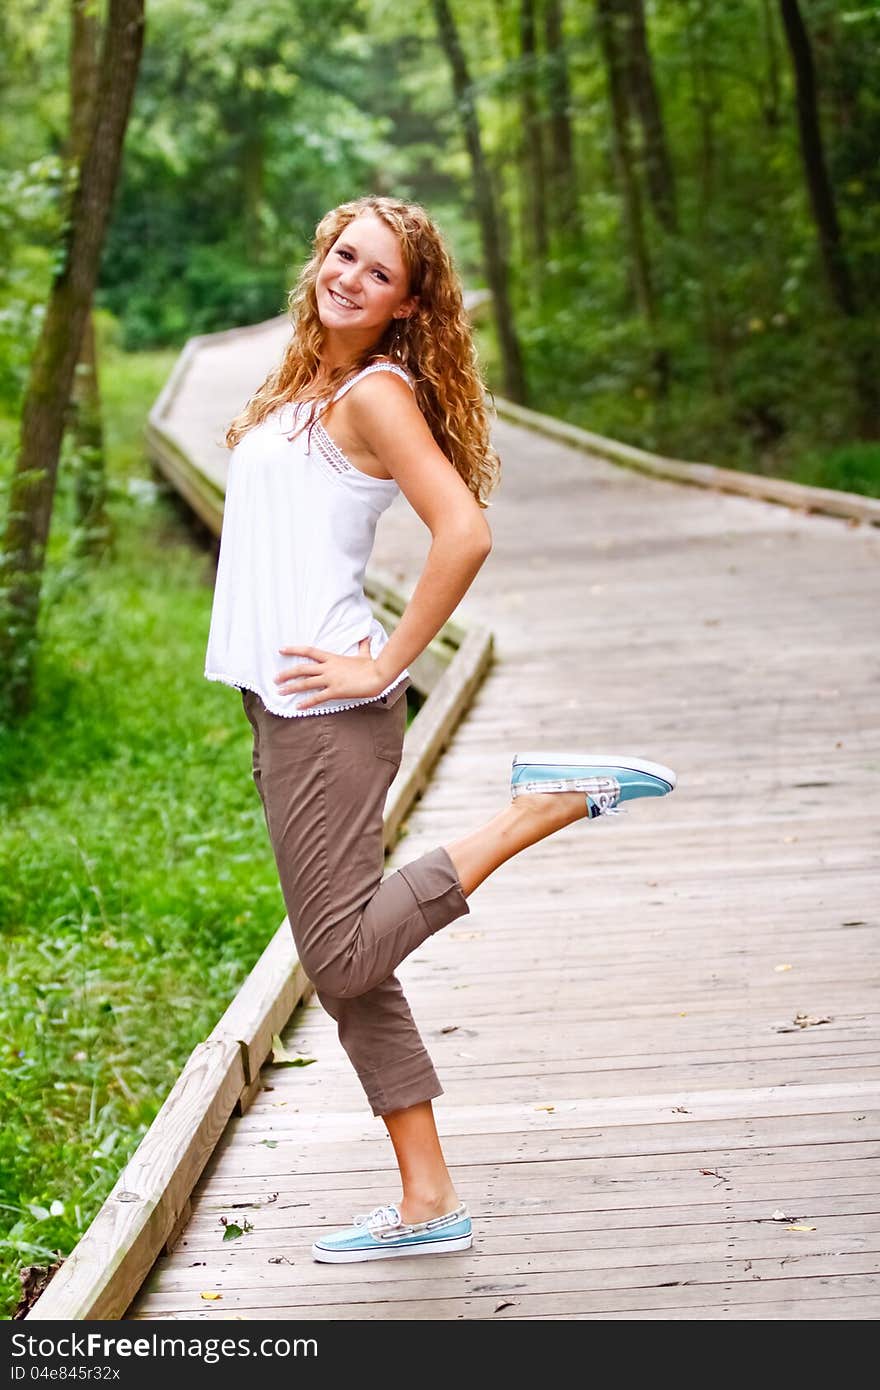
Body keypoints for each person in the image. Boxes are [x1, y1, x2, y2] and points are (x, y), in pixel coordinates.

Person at [204, 195, 676, 1265]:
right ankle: (429, 1200)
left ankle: (536, 808)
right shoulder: (306, 383)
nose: (348, 278)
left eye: (377, 272)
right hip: (283, 712)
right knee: (351, 967)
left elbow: (463, 531)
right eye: (340, 255)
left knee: (338, 953)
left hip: (331, 711)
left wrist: (383, 662)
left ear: (409, 300)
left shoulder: (374, 393)